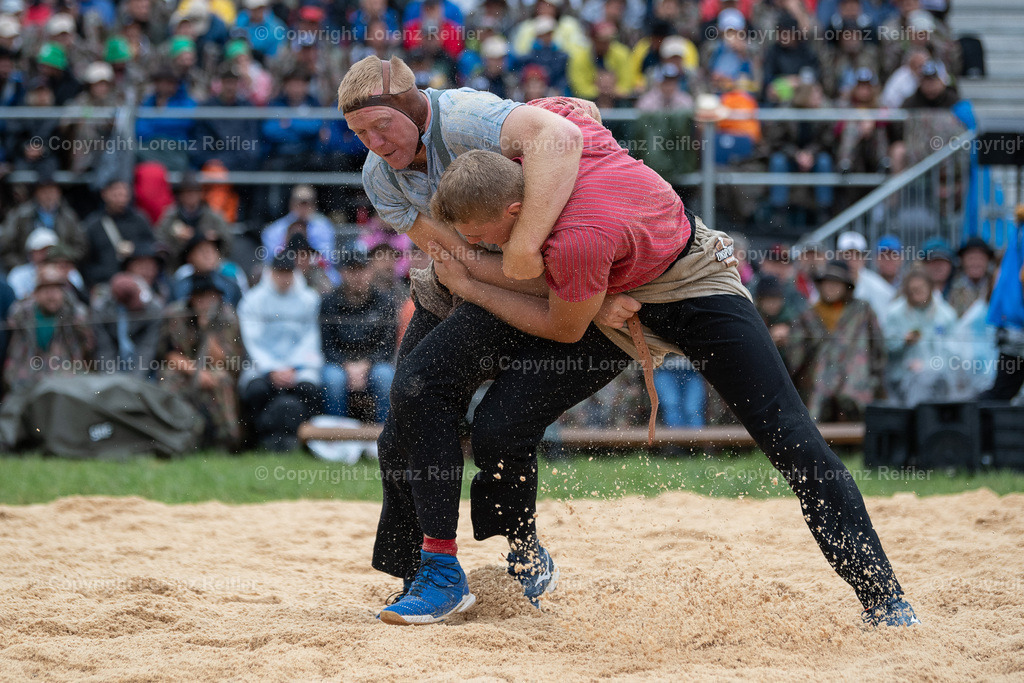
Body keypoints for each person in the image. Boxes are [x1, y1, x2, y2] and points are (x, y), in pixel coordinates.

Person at [427, 104, 916, 628]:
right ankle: (524, 554)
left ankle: (883, 595)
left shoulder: (577, 239)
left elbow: (562, 325)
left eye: (482, 237)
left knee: (793, 438)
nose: (478, 248)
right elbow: (583, 106)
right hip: (616, 297)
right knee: (499, 424)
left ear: (516, 207)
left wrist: (473, 284)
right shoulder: (563, 132)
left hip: (696, 291)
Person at [339, 55, 632, 623]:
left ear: (412, 105)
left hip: (531, 272)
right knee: (402, 422)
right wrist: (491, 271)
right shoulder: (379, 177)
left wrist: (535, 261)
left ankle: (508, 551)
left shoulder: (468, 114)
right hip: (466, 280)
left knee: (468, 409)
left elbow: (566, 132)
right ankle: (421, 571)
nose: (374, 142)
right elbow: (455, 258)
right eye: (359, 134)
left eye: (381, 126)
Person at [237, 250, 323, 451]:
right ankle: (260, 439)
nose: (284, 278)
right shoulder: (253, 300)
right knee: (256, 390)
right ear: (271, 272)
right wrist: (272, 369)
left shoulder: (309, 299)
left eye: (288, 272)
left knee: (309, 390)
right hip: (262, 366)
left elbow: (310, 337)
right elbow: (252, 340)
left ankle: (304, 440)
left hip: (300, 365)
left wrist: (294, 366)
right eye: (280, 272)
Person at [785, 260, 886, 421]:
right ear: (820, 285)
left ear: (846, 286)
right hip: (817, 381)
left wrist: (875, 378)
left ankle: (852, 408)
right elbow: (794, 358)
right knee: (826, 356)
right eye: (827, 283)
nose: (831, 287)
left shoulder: (862, 311)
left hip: (856, 379)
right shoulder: (808, 316)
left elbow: (877, 348)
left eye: (836, 283)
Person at [156, 273, 245, 450]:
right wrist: (195, 371)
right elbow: (168, 353)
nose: (206, 302)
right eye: (201, 297)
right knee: (167, 376)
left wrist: (207, 330)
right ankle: (170, 436)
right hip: (184, 367)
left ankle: (226, 441)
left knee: (221, 379)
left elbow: (229, 362)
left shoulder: (227, 316)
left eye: (210, 296)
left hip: (217, 368)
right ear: (192, 299)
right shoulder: (176, 315)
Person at [320, 250, 397, 423]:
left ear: (370, 271)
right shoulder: (329, 302)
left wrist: (366, 364)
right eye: (351, 270)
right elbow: (327, 346)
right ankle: (335, 439)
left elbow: (387, 347)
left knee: (385, 377)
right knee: (333, 380)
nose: (357, 275)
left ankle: (386, 436)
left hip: (374, 363)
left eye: (361, 269)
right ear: (342, 273)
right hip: (339, 363)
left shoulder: (385, 302)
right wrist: (347, 365)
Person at [4, 263, 94, 395]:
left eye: (56, 290)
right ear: (36, 293)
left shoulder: (74, 314)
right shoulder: (22, 314)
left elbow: (88, 346)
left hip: (64, 381)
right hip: (27, 379)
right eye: (46, 290)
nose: (51, 296)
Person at [882, 267, 958, 404]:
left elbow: (954, 353)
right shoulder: (894, 314)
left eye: (921, 288)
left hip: (941, 377)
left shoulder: (946, 315)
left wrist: (929, 366)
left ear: (930, 287)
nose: (917, 293)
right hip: (902, 378)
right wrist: (902, 342)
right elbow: (885, 348)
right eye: (913, 290)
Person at [947, 237, 994, 318]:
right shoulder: (952, 286)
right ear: (962, 261)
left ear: (988, 261)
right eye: (971, 258)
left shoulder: (995, 285)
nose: (976, 263)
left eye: (980, 259)